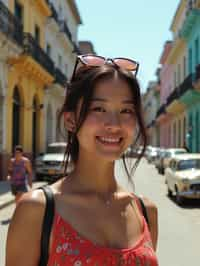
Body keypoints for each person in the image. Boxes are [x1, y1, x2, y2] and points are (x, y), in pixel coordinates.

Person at [6, 55, 158, 265]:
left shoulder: (146, 212)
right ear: (70, 120)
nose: (114, 124)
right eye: (98, 109)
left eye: (126, 110)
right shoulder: (37, 210)